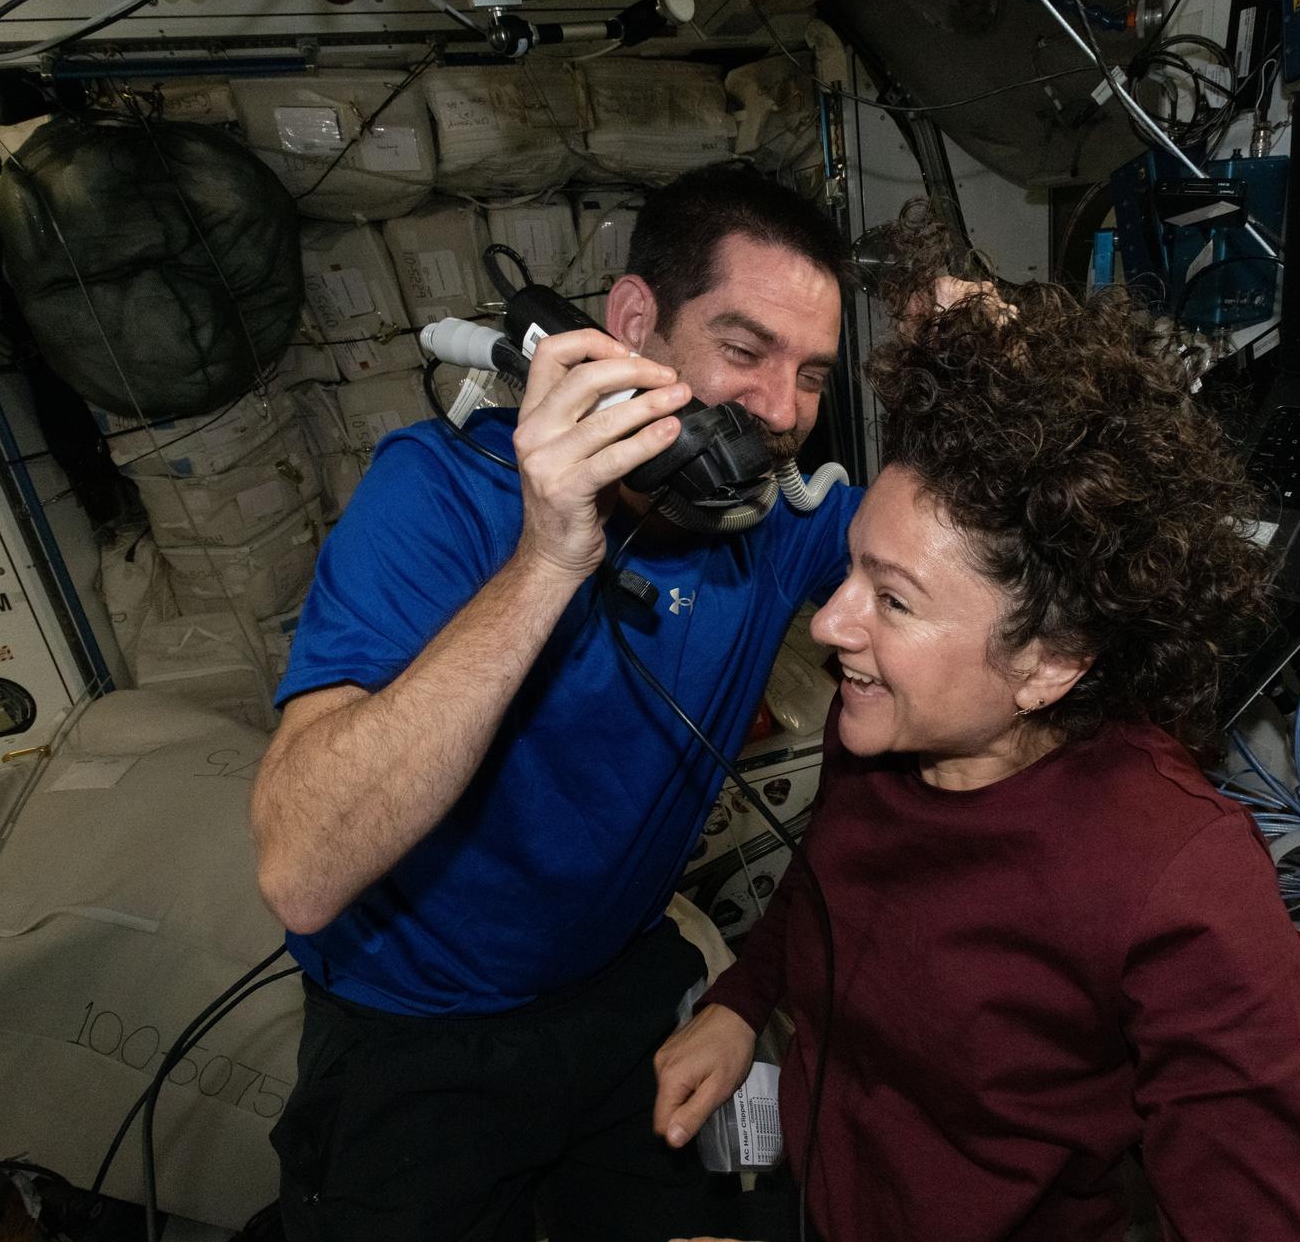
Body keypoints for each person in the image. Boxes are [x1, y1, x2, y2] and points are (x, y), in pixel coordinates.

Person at [652, 221, 1300, 1242]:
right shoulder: (880, 726)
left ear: (1048, 661)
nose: (831, 624)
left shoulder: (1179, 884)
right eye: (851, 572)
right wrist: (741, 1000)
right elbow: (824, 885)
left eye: (893, 600)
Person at [248, 162, 863, 1242]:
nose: (780, 413)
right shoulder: (435, 493)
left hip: (628, 977)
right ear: (632, 325)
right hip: (416, 1025)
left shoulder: (777, 523)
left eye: (811, 375)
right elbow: (301, 871)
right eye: (745, 350)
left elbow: (968, 569)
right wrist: (547, 561)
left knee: (743, 1199)